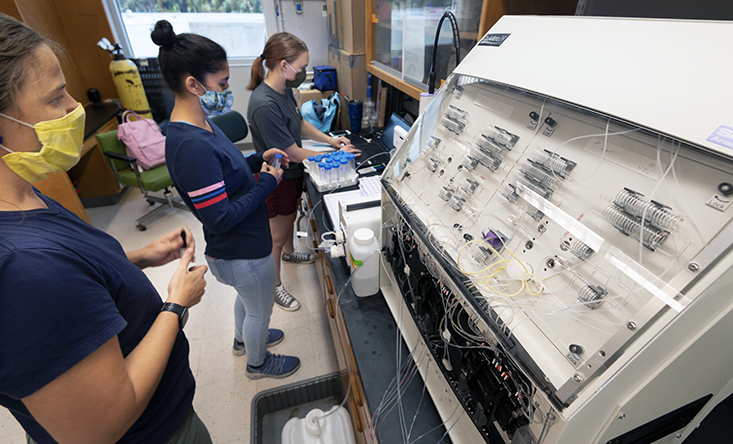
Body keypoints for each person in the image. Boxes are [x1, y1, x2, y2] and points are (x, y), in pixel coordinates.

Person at [0, 13, 210, 444]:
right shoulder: (21, 270)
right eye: (56, 97)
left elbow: (72, 284)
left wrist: (134, 258)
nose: (74, 108)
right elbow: (99, 426)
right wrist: (175, 305)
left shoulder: (24, 197)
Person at [152, 20, 301, 379]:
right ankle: (257, 362)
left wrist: (254, 161)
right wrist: (266, 184)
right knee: (260, 310)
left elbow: (226, 172)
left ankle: (243, 340)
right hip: (241, 251)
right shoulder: (190, 146)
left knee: (249, 303)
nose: (225, 90)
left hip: (239, 251)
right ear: (192, 84)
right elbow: (219, 217)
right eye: (220, 83)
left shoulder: (202, 123)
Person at [247, 32, 361, 311]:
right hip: (277, 179)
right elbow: (293, 153)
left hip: (292, 175)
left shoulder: (283, 90)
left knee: (286, 225)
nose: (303, 72)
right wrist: (335, 155)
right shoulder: (264, 104)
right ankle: (275, 286)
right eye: (300, 67)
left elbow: (298, 124)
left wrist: (331, 140)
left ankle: (289, 254)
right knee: (276, 236)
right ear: (283, 64)